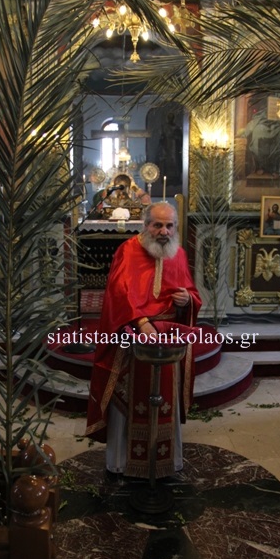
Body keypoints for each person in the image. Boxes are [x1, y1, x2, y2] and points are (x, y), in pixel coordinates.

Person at [85, 202, 202, 480]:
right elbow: (118, 293)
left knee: (164, 401)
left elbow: (191, 291)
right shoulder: (128, 250)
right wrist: (141, 323)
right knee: (131, 401)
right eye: (157, 225)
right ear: (146, 225)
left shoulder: (178, 253)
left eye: (169, 226)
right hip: (133, 336)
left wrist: (187, 300)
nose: (164, 232)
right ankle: (123, 462)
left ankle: (165, 461)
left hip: (167, 340)